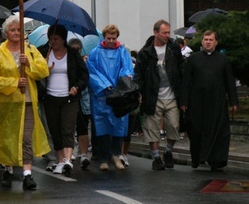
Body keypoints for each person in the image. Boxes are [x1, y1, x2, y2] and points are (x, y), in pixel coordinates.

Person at [0, 15, 50, 190]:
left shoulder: (30, 50)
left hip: (27, 102)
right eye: (13, 30)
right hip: (6, 104)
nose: (16, 33)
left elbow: (44, 71)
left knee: (26, 138)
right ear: (6, 33)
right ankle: (6, 170)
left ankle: (27, 174)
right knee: (7, 138)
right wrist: (14, 83)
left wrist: (29, 64)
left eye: (19, 30)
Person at [180, 30, 238, 171]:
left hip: (217, 102)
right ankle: (198, 158)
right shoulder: (194, 59)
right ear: (202, 41)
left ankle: (217, 161)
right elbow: (186, 81)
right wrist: (183, 101)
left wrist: (234, 101)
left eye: (211, 39)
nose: (208, 42)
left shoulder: (223, 60)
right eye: (205, 39)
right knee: (197, 131)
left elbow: (229, 81)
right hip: (197, 103)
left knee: (220, 133)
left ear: (216, 42)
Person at [135, 19, 184, 170]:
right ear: (155, 32)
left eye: (169, 32)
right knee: (152, 128)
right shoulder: (146, 52)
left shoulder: (173, 49)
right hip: (153, 95)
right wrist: (139, 92)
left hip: (172, 95)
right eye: (164, 33)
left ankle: (168, 151)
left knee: (174, 125)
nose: (167, 35)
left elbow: (182, 68)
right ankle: (156, 157)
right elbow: (139, 74)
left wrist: (183, 92)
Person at [41, 24, 88, 175]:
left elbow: (84, 75)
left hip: (69, 97)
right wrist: (43, 64)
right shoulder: (43, 52)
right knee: (54, 130)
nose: (52, 42)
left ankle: (67, 160)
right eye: (50, 39)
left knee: (67, 128)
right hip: (50, 97)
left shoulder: (73, 54)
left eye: (56, 39)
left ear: (63, 40)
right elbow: (35, 72)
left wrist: (77, 87)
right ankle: (60, 160)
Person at [87, 24, 134, 171]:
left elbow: (126, 69)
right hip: (101, 96)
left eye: (114, 38)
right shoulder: (95, 53)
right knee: (102, 126)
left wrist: (121, 85)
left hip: (118, 96)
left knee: (118, 125)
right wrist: (105, 85)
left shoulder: (122, 52)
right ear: (104, 37)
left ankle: (115, 154)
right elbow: (91, 71)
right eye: (109, 38)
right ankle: (104, 158)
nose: (111, 41)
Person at [68, 38, 91, 170]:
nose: (76, 51)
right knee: (69, 127)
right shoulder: (68, 61)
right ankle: (70, 153)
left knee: (83, 127)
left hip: (83, 99)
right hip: (70, 98)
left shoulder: (85, 62)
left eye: (78, 49)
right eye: (74, 49)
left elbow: (86, 78)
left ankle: (83, 154)